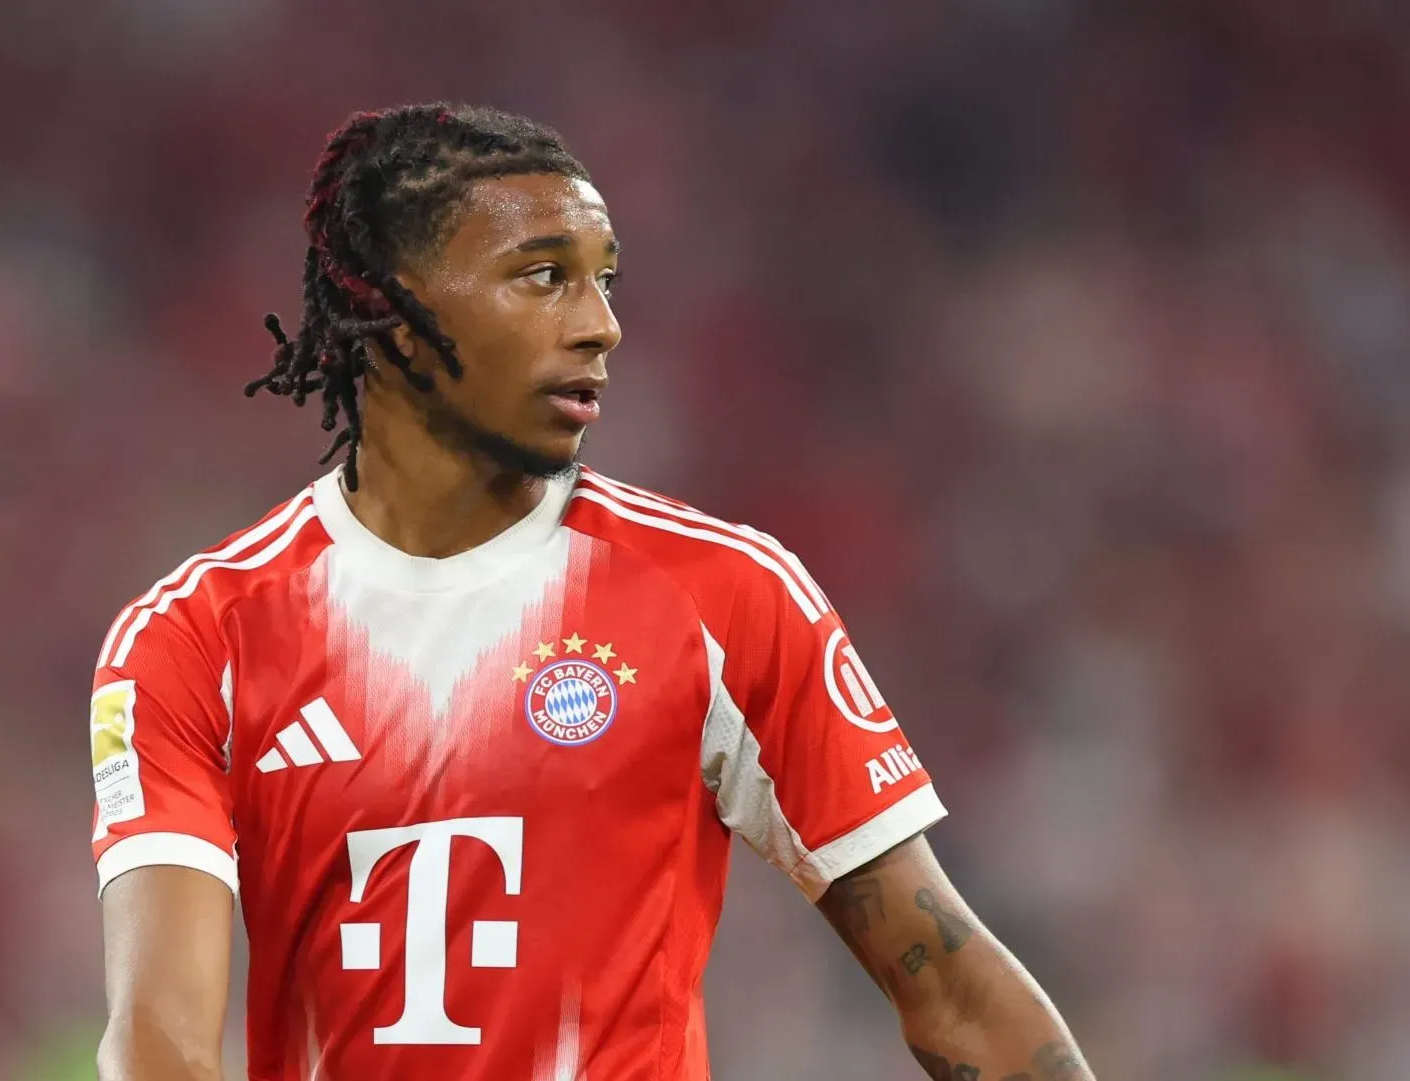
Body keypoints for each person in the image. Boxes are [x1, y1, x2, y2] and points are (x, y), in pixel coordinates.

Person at [90, 103, 1093, 1081]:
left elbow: (952, 990)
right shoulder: (193, 641)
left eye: (604, 281)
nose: (602, 326)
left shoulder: (722, 593)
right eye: (544, 278)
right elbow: (159, 1048)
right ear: (392, 312)